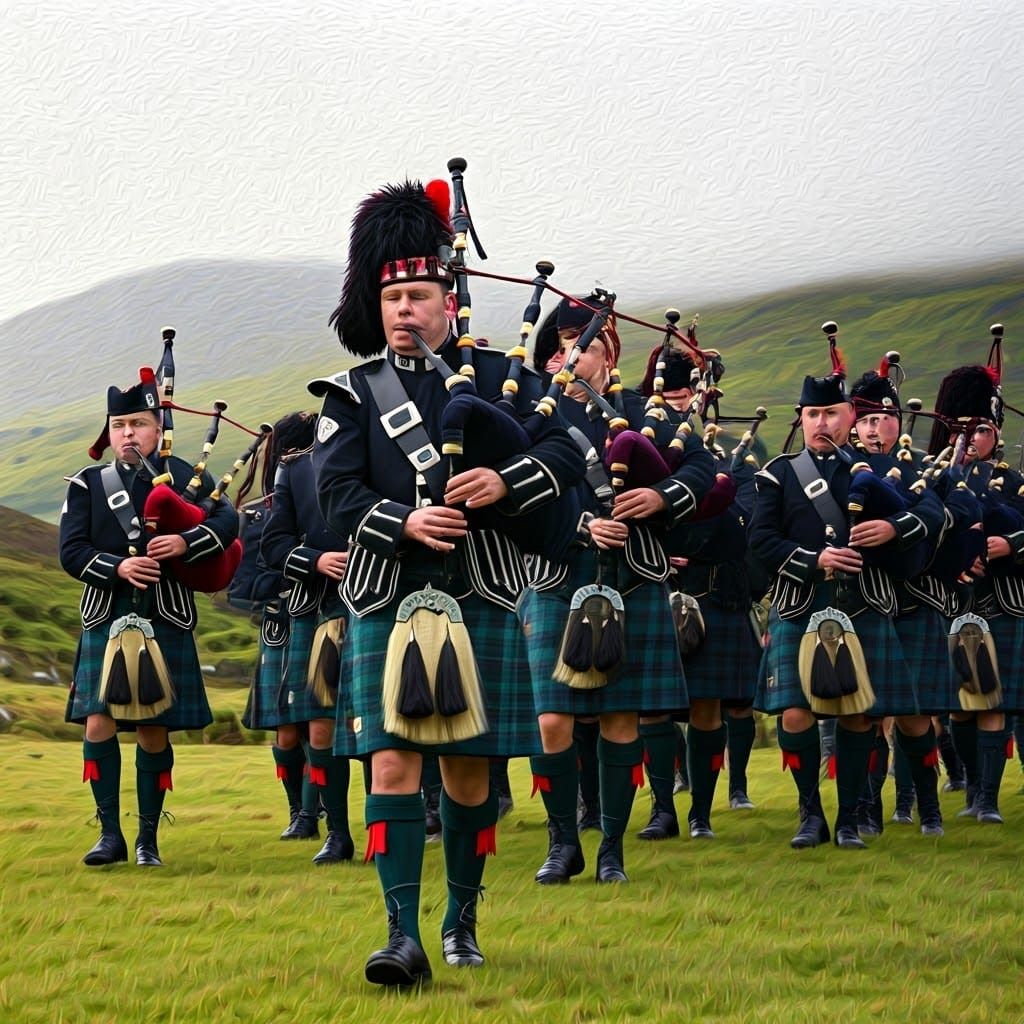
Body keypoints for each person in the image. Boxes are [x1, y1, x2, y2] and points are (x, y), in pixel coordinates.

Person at [311, 178, 584, 986]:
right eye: (392, 296)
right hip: (388, 593)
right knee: (391, 764)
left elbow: (570, 453)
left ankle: (462, 921)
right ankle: (402, 935)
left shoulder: (503, 378)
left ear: (449, 301)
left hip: (480, 590)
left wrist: (507, 484)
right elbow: (335, 492)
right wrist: (403, 520)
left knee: (468, 772)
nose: (403, 310)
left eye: (419, 294)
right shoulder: (353, 394)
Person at [519, 296, 713, 876]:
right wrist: (579, 526)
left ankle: (611, 849)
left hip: (633, 574)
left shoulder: (646, 413)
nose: (571, 361)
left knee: (620, 720)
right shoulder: (535, 416)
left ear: (610, 356)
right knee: (552, 719)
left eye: (587, 349)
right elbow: (515, 496)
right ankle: (562, 843)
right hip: (558, 572)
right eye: (560, 352)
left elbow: (702, 471)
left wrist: (659, 497)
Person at [750, 344, 938, 849]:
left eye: (831, 413)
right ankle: (810, 811)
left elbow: (931, 515)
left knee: (859, 715)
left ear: (850, 418)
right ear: (803, 419)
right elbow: (762, 542)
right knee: (795, 712)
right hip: (800, 605)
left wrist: (892, 528)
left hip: (864, 603)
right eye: (812, 414)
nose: (821, 423)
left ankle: (850, 817)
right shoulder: (780, 474)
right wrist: (816, 560)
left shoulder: (881, 472)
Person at [60, 369, 238, 866]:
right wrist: (118, 566)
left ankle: (147, 841)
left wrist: (186, 541)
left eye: (137, 423)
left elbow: (227, 521)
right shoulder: (88, 484)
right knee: (97, 723)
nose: (127, 434)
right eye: (118, 425)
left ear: (157, 427)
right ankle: (109, 835)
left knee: (151, 730)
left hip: (165, 614)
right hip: (107, 614)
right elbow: (71, 552)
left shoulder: (185, 476)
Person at [635, 340, 766, 840]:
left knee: (709, 705)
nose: (676, 403)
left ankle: (702, 815)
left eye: (685, 394)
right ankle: (663, 809)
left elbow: (745, 523)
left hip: (716, 597)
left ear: (701, 398)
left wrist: (693, 534)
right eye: (665, 395)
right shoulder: (638, 449)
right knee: (651, 706)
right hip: (655, 588)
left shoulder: (731, 462)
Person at [845, 364, 953, 837]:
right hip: (864, 603)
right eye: (865, 421)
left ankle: (927, 807)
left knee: (913, 716)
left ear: (897, 423)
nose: (873, 429)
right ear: (854, 424)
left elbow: (934, 514)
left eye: (882, 419)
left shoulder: (918, 471)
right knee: (867, 714)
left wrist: (893, 527)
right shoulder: (839, 471)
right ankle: (867, 809)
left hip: (911, 603)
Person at [928, 362, 1024, 824]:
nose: (967, 439)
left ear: (997, 431)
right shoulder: (930, 481)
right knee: (959, 709)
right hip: (952, 604)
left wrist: (1011, 544)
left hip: (1002, 602)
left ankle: (987, 800)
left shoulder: (1018, 483)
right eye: (958, 429)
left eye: (979, 429)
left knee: (994, 701)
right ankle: (969, 790)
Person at [260, 417, 355, 864]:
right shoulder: (296, 470)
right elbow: (273, 544)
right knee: (318, 725)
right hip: (320, 607)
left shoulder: (380, 452)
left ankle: (395, 821)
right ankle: (336, 833)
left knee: (392, 721)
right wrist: (316, 560)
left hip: (385, 597)